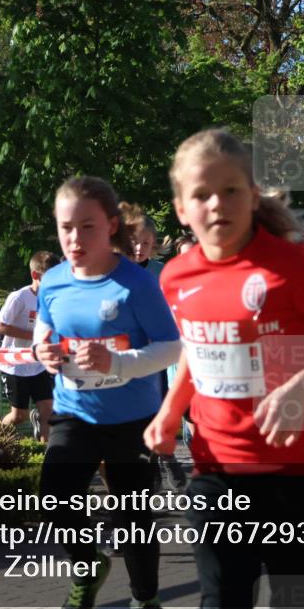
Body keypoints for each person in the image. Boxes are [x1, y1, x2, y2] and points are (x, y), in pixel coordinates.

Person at [144, 128, 304, 609]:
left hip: (301, 477)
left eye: (230, 190)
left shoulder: (291, 266)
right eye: (201, 194)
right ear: (182, 208)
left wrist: (302, 386)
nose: (216, 204)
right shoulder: (175, 277)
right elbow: (197, 354)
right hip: (217, 473)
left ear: (251, 197)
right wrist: (168, 412)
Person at [33, 175, 181, 609]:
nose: (74, 238)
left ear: (111, 225)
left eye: (87, 227)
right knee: (53, 500)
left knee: (133, 519)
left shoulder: (136, 283)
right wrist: (44, 352)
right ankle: (89, 567)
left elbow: (171, 348)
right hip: (75, 413)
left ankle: (146, 604)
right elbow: (45, 330)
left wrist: (114, 362)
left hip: (132, 420)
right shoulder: (55, 280)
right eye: (66, 227)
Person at [119, 202, 188, 491]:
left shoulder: (163, 272)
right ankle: (155, 466)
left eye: (146, 243)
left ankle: (166, 459)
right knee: (135, 419)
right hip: (126, 356)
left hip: (160, 355)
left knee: (160, 410)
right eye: (135, 241)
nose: (140, 248)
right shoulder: (114, 270)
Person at [0, 250, 61, 441]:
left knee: (48, 410)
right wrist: (34, 336)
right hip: (15, 365)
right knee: (19, 416)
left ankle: (45, 457)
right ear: (35, 275)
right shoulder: (20, 297)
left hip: (39, 364)